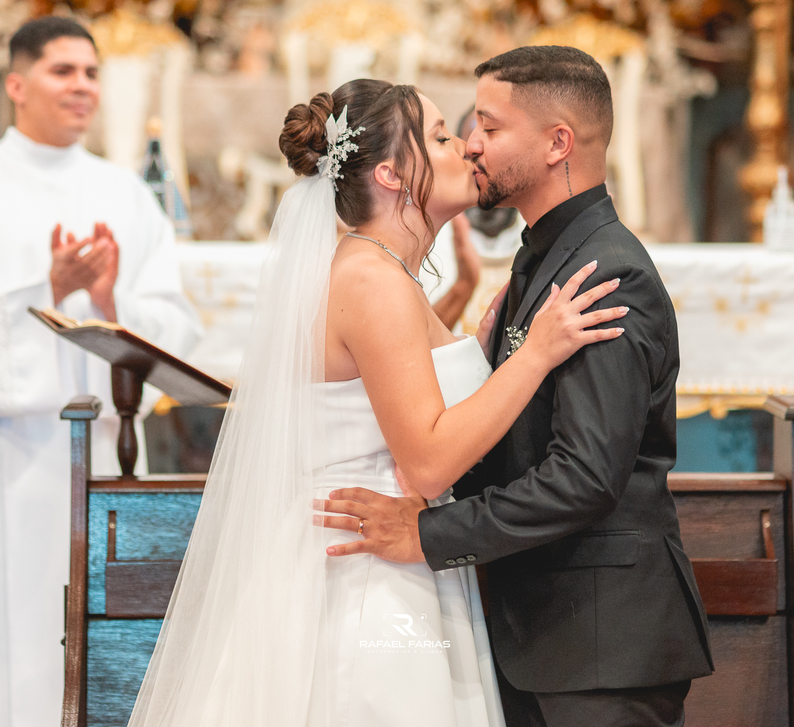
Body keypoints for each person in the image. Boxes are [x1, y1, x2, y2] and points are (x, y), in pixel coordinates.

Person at [126, 79, 625, 727]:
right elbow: (425, 463)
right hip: (365, 583)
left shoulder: (375, 270)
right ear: (392, 174)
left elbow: (380, 385)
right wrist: (535, 353)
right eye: (442, 136)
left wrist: (462, 329)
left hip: (385, 558)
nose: (466, 148)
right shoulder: (372, 278)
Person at [322, 46, 714, 727]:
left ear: (558, 142)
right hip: (540, 634)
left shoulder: (605, 272)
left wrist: (430, 533)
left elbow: (586, 476)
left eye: (490, 128)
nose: (472, 145)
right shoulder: (545, 256)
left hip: (597, 645)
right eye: (460, 129)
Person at [0, 16, 203, 727]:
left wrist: (108, 301)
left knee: (85, 631)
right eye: (63, 71)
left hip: (99, 450)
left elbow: (174, 328)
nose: (83, 87)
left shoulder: (124, 192)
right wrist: (47, 290)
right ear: (15, 84)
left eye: (92, 73)